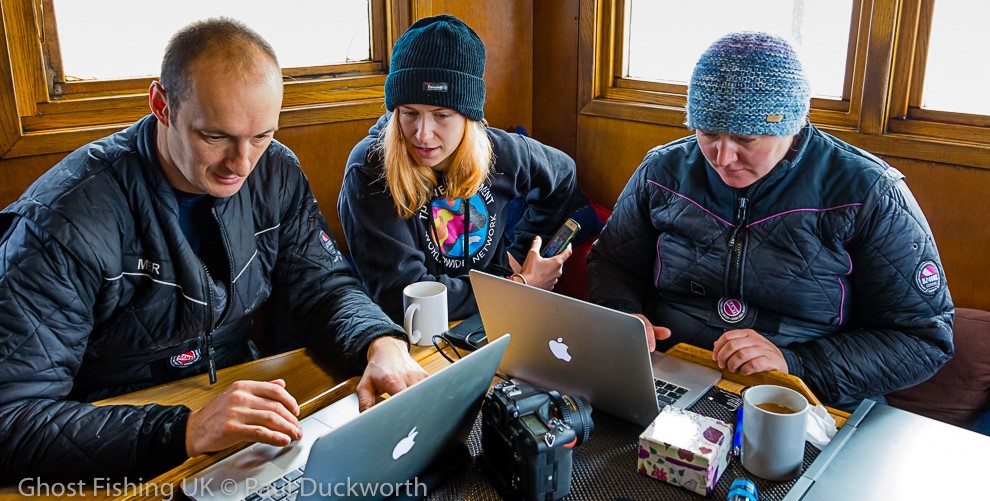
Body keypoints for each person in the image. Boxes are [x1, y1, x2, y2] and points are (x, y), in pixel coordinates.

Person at [0, 18, 427, 483]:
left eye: (261, 136)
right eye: (215, 137)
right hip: (112, 441)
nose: (241, 164)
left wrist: (379, 343)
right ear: (162, 105)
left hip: (238, 408)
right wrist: (182, 430)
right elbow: (12, 417)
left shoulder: (275, 172)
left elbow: (322, 284)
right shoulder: (62, 219)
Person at [587, 31, 954, 410]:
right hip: (669, 374)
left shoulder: (868, 192)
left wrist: (794, 364)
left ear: (791, 126)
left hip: (804, 399)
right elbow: (612, 262)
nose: (723, 157)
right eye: (708, 132)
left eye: (746, 139)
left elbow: (924, 339)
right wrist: (623, 316)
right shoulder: (662, 171)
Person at [338, 15, 577, 321]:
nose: (422, 133)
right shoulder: (369, 169)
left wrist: (520, 253)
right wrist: (518, 286)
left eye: (442, 114)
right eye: (409, 113)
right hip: (415, 331)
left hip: (498, 314)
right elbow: (404, 298)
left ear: (469, 117)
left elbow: (564, 174)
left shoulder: (502, 151)